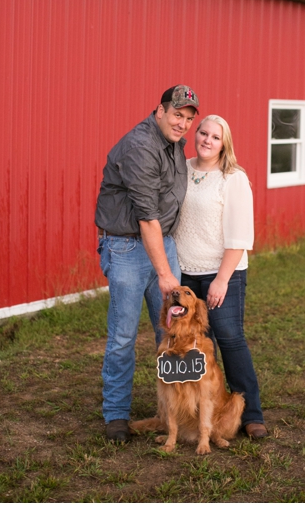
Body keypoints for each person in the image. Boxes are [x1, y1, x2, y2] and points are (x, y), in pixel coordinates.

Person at [94, 85, 200, 442]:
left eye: (188, 118)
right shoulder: (140, 147)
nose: (182, 123)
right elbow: (147, 218)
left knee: (173, 333)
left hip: (162, 244)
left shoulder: (174, 145)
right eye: (177, 115)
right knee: (123, 336)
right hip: (127, 248)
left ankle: (173, 414)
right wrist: (167, 276)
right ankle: (116, 417)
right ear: (160, 110)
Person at [173, 114, 267, 439]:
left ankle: (251, 414)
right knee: (196, 346)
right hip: (185, 276)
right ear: (195, 134)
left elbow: (240, 236)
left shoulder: (233, 177)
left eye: (215, 136)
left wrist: (222, 279)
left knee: (229, 340)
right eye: (203, 133)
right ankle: (202, 414)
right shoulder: (181, 169)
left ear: (224, 143)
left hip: (221, 274)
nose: (207, 140)